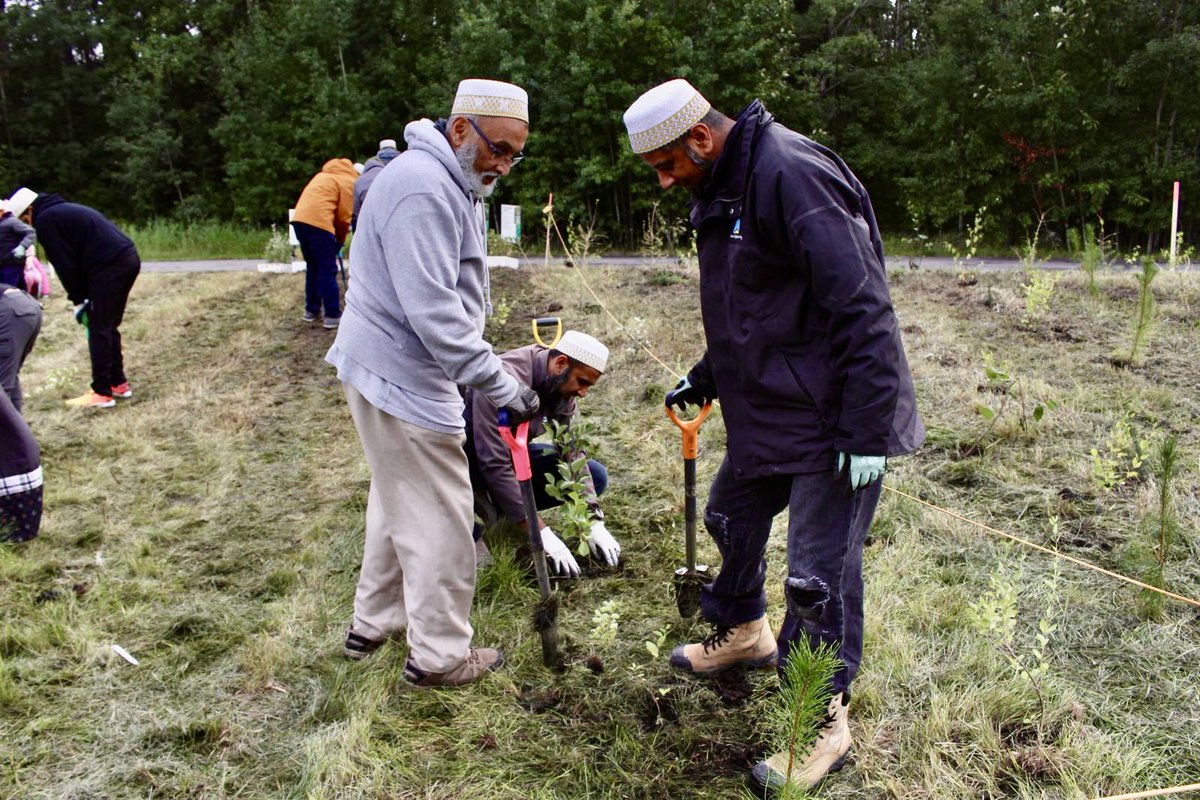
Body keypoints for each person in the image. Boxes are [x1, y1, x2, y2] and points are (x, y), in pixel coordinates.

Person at [623, 79, 925, 792]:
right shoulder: (727, 184)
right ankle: (745, 632)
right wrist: (708, 373)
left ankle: (819, 725)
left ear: (700, 137)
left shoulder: (791, 173)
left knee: (817, 582)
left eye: (667, 165)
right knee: (728, 515)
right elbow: (753, 305)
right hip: (771, 406)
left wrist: (865, 429)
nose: (665, 183)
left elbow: (864, 308)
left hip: (838, 416)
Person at [325, 78, 537, 689]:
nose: (503, 164)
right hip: (404, 376)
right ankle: (440, 657)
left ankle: (376, 621)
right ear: (461, 129)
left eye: (514, 154)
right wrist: (500, 384)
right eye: (497, 148)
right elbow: (435, 315)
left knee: (397, 500)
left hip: (390, 368)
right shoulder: (421, 187)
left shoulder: (451, 179)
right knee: (444, 519)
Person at [465, 330, 621, 575]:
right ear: (561, 363)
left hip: (508, 457)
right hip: (463, 461)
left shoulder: (560, 386)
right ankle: (473, 506)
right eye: (582, 382)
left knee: (595, 475)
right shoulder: (501, 382)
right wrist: (542, 533)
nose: (583, 393)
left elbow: (570, 450)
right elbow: (495, 465)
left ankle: (497, 505)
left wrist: (592, 518)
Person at [8, 187, 140, 409]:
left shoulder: (46, 220)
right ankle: (118, 383)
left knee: (99, 327)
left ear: (30, 210)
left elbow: (64, 264)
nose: (26, 225)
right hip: (125, 258)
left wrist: (79, 300)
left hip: (110, 266)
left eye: (24, 219)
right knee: (107, 325)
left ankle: (101, 392)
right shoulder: (59, 211)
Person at [291, 158, 358, 329]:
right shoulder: (348, 181)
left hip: (299, 222)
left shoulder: (323, 176)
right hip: (319, 225)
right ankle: (332, 315)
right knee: (327, 269)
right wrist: (340, 242)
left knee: (313, 267)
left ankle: (311, 311)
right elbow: (344, 218)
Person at [0, 282, 43, 412]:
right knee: (8, 377)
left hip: (9, 312)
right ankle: (15, 430)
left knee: (2, 386)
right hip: (25, 304)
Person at [352, 138, 401, 231]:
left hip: (370, 223)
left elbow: (356, 211)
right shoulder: (403, 161)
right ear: (395, 148)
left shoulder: (361, 180)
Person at [0, 198, 37, 289]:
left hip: (12, 262)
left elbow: (31, 232)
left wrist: (23, 246)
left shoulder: (11, 222)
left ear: (2, 211)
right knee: (19, 287)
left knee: (10, 289)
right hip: (3, 262)